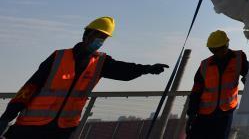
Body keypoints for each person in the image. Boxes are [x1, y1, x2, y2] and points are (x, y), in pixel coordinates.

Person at [0, 17, 169, 139]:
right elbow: (31, 86)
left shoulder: (101, 62)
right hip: (31, 127)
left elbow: (124, 71)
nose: (99, 41)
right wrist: (7, 116)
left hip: (63, 128)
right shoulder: (58, 57)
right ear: (86, 35)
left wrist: (148, 69)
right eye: (96, 36)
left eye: (103, 38)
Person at [186, 30, 249, 139]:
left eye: (218, 49)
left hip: (224, 114)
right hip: (204, 115)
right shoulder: (205, 64)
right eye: (213, 50)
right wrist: (192, 113)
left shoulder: (238, 58)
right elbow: (196, 90)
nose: (215, 52)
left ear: (226, 45)